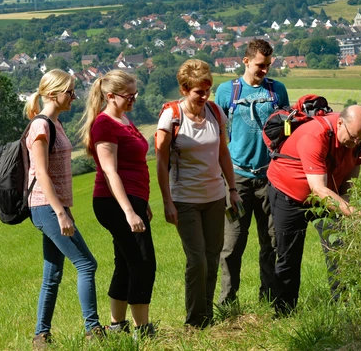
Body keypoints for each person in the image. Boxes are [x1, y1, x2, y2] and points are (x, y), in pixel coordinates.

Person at [155, 59, 241, 328]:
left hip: (215, 197)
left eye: (208, 90)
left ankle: (207, 317)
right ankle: (194, 320)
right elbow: (160, 161)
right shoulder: (172, 116)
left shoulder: (215, 112)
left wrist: (233, 189)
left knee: (213, 257)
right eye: (198, 92)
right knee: (197, 260)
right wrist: (167, 202)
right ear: (184, 89)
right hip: (185, 200)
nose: (205, 96)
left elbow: (223, 153)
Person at [25, 69, 104, 349]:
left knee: (53, 273)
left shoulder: (55, 124)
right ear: (51, 94)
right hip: (46, 207)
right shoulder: (41, 126)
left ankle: (41, 336)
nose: (74, 96)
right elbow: (42, 174)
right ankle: (93, 330)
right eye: (69, 91)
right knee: (86, 264)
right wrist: (60, 212)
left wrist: (64, 209)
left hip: (54, 207)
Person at [266, 104, 361, 315]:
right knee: (289, 254)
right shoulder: (314, 136)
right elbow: (318, 190)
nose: (356, 143)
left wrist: (346, 204)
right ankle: (284, 312)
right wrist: (353, 212)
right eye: (353, 137)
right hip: (289, 194)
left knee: (339, 249)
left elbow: (351, 178)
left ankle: (344, 307)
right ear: (340, 123)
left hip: (329, 195)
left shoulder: (358, 136)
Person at [79, 69, 157, 339]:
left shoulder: (123, 119)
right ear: (110, 96)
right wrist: (128, 211)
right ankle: (142, 330)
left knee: (125, 262)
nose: (133, 99)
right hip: (114, 203)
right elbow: (110, 171)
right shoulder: (104, 124)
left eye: (135, 94)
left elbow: (133, 164)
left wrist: (141, 203)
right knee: (142, 262)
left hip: (131, 199)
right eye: (129, 96)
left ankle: (117, 325)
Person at [214, 39, 289, 304]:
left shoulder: (277, 90)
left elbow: (285, 131)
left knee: (271, 242)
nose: (265, 70)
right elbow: (216, 134)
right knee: (232, 245)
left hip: (271, 177)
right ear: (245, 61)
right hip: (237, 180)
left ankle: (268, 298)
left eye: (268, 65)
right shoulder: (226, 91)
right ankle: (227, 301)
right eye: (260, 65)